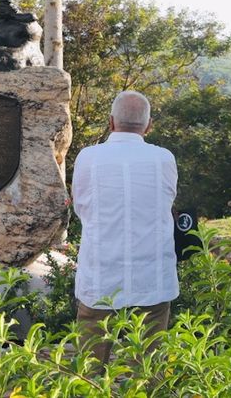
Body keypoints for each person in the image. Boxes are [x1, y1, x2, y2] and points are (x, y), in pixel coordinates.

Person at [72, 91, 178, 364]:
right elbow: (166, 201)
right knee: (147, 372)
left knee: (89, 370)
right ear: (148, 125)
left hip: (100, 276)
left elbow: (81, 209)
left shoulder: (88, 157)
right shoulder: (164, 158)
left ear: (111, 122)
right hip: (151, 276)